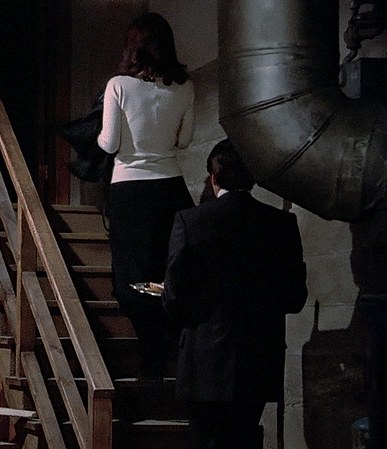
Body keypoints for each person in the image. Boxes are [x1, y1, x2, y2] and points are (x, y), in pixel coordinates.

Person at [162, 139, 308, 449]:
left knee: (206, 438)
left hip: (204, 357)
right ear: (252, 178)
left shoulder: (190, 221)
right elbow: (294, 298)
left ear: (214, 178)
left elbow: (174, 296)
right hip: (259, 356)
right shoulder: (281, 223)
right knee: (244, 436)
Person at [97, 11, 195, 380]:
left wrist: (96, 136)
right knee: (167, 273)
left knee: (131, 278)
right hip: (171, 187)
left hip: (130, 189)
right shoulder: (184, 88)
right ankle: (169, 349)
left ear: (132, 47)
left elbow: (109, 143)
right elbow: (184, 141)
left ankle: (151, 353)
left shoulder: (118, 86)